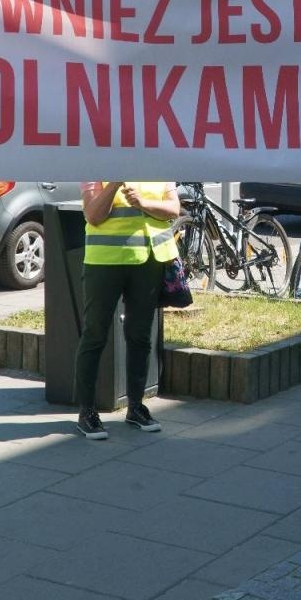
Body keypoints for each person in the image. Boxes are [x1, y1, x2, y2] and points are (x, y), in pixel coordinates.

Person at [72, 181, 180, 438]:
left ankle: (136, 407)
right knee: (94, 334)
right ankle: (86, 412)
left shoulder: (157, 162)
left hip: (148, 260)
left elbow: (174, 209)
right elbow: (93, 216)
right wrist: (114, 183)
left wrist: (144, 203)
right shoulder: (98, 163)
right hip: (105, 261)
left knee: (140, 334)